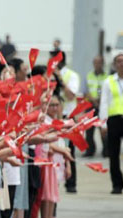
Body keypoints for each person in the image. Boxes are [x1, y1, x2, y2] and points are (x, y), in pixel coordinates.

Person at [52, 51, 81, 193]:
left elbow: (71, 95)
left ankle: (71, 183)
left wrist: (60, 80)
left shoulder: (72, 75)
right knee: (53, 148)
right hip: (54, 117)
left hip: (68, 117)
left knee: (69, 150)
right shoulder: (49, 75)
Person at [99, 53, 123, 194]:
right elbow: (104, 102)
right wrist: (103, 123)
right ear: (115, 64)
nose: (122, 64)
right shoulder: (108, 81)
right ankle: (117, 184)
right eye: (119, 61)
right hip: (114, 120)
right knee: (114, 155)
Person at [83, 56, 108, 158]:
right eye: (95, 63)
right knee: (89, 130)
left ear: (103, 64)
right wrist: (93, 100)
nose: (97, 65)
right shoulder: (89, 76)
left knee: (104, 128)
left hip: (103, 106)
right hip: (91, 106)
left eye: (99, 63)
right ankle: (90, 150)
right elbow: (85, 91)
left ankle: (106, 151)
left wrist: (100, 100)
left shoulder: (107, 77)